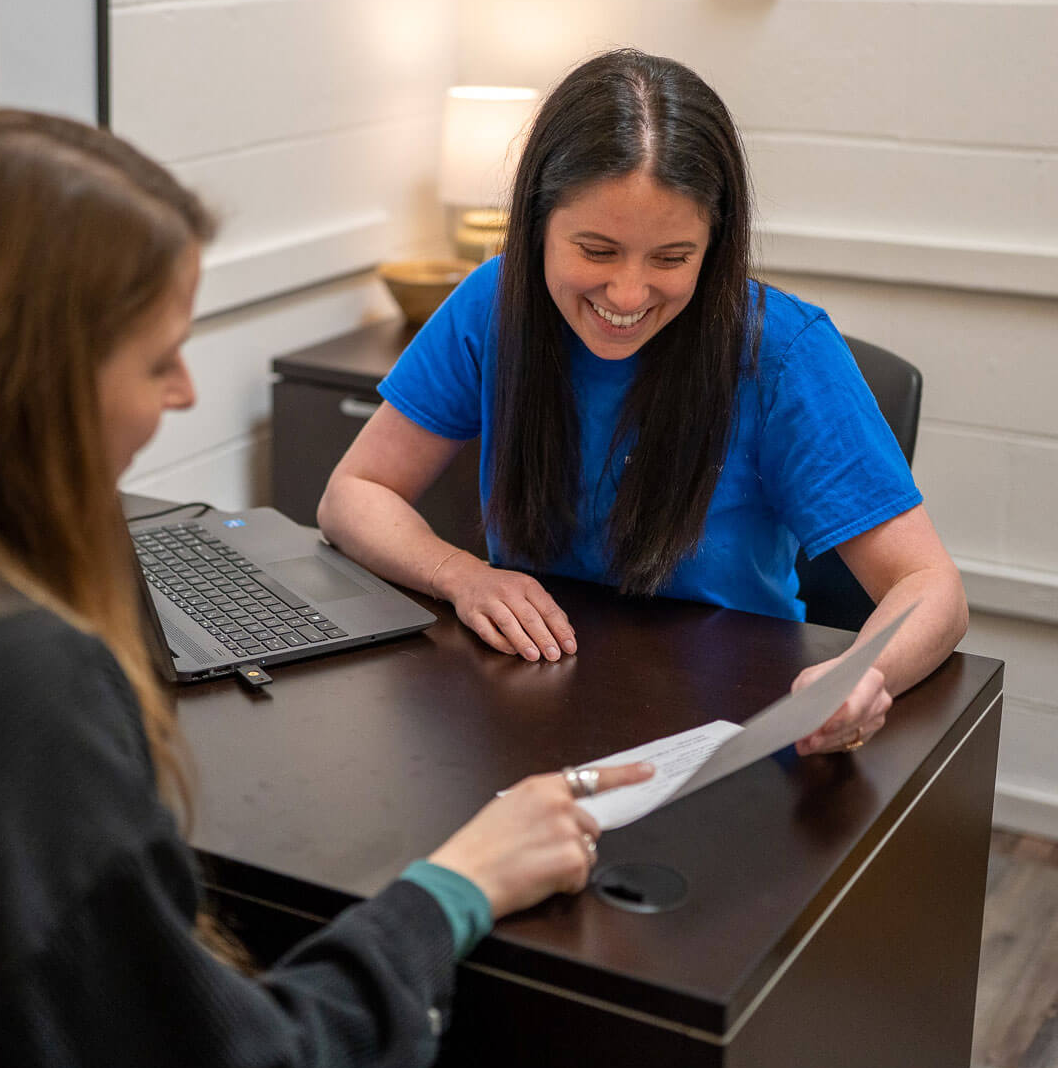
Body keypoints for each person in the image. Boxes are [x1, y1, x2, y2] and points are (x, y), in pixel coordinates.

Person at [0, 110, 653, 1068]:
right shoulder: (1, 682)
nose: (186, 392)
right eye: (160, 360)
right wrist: (458, 887)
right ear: (31, 380)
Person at [319, 48, 968, 758]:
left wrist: (863, 674)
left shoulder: (784, 352)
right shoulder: (493, 303)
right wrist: (461, 575)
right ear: (538, 223)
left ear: (714, 244)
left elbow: (930, 585)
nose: (628, 295)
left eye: (671, 258)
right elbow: (355, 492)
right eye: (597, 251)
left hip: (731, 725)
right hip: (529, 705)